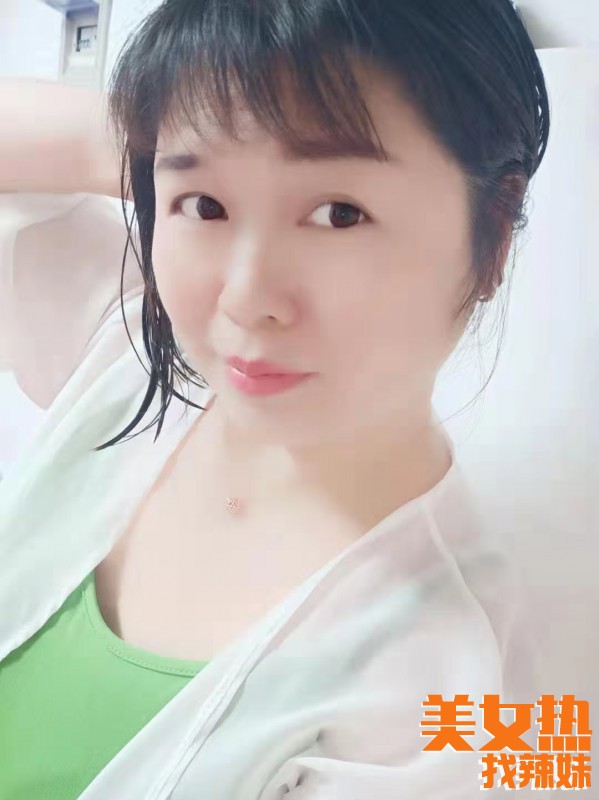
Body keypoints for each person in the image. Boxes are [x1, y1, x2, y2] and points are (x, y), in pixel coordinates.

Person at [0, 0, 550, 797]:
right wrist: (165, 133)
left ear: (492, 234)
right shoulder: (120, 356)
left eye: (338, 214)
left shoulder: (460, 691)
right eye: (205, 207)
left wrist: (214, 151)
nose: (245, 299)